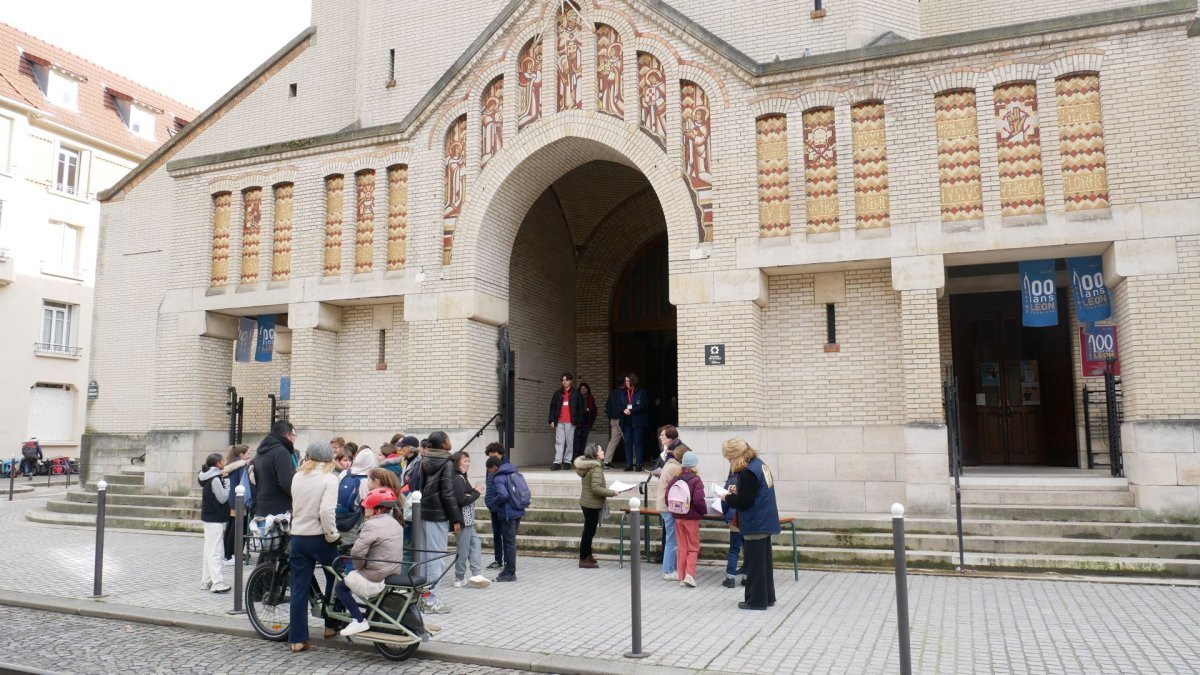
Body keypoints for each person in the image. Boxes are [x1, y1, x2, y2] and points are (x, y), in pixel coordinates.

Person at [287, 441, 341, 652]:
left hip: (298, 536)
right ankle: (331, 625)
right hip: (319, 537)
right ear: (329, 459)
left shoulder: (297, 476)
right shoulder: (330, 479)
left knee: (299, 588)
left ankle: (297, 639)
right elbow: (327, 512)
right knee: (336, 578)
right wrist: (332, 535)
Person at [720, 438, 780, 611]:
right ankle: (768, 597)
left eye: (729, 459)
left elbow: (745, 502)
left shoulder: (747, 471)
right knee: (764, 564)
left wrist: (726, 497)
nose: (730, 462)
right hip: (764, 518)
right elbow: (755, 491)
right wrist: (737, 490)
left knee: (754, 565)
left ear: (735, 455)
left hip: (755, 521)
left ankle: (755, 601)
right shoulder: (759, 464)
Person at [336, 487, 405, 637]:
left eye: (368, 506)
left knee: (340, 588)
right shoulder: (396, 523)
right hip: (392, 570)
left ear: (378, 510)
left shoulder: (371, 525)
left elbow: (356, 553)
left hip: (375, 576)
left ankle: (358, 620)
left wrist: (359, 569)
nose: (365, 508)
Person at [414, 431, 461, 614]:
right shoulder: (447, 462)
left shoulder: (424, 460)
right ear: (443, 444)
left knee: (425, 557)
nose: (450, 441)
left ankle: (423, 597)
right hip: (438, 514)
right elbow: (447, 493)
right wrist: (455, 518)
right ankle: (432, 600)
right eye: (448, 439)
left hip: (424, 512)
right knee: (436, 558)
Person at [451, 451, 491, 588]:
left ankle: (476, 573)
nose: (467, 464)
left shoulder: (462, 477)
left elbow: (465, 494)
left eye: (468, 461)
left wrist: (473, 491)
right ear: (457, 462)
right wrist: (477, 492)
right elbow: (461, 500)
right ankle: (459, 577)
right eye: (465, 461)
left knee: (475, 544)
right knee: (463, 549)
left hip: (468, 519)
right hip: (463, 519)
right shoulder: (457, 478)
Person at [574, 443, 616, 568]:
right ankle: (583, 558)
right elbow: (596, 489)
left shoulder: (588, 467)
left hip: (587, 502)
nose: (603, 451)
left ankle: (588, 555)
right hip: (591, 504)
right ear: (595, 454)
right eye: (601, 450)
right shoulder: (595, 468)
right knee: (589, 532)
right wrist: (612, 492)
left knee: (589, 531)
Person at [668, 451, 706, 588]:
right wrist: (703, 512)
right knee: (693, 547)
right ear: (694, 465)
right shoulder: (696, 480)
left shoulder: (676, 478)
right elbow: (698, 500)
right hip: (691, 518)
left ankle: (682, 576)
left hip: (678, 517)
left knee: (682, 546)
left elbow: (668, 496)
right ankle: (689, 575)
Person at [653, 428, 686, 581]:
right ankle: (668, 570)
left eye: (662, 435)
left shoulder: (670, 464)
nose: (660, 437)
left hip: (664, 504)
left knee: (671, 537)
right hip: (668, 506)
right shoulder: (675, 467)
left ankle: (670, 568)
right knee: (672, 539)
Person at [198, 452, 232, 593]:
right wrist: (228, 483)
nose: (224, 463)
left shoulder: (205, 476)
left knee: (208, 549)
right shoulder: (215, 479)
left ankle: (206, 581)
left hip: (208, 517)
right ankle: (217, 582)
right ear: (218, 464)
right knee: (216, 550)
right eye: (222, 461)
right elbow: (223, 497)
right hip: (215, 518)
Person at [489, 455, 526, 582]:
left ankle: (510, 572)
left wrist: (494, 502)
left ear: (494, 467)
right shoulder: (513, 472)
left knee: (509, 543)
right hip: (518, 511)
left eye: (490, 470)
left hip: (507, 514)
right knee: (510, 542)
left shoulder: (499, 477)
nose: (490, 473)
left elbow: (503, 495)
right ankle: (508, 570)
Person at [253, 421, 298, 517]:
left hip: (262, 508)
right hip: (280, 511)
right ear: (287, 435)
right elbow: (287, 482)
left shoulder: (261, 452)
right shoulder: (282, 452)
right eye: (294, 436)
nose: (294, 439)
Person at [548, 372, 586, 470]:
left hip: (571, 421)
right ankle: (557, 462)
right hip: (560, 421)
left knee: (569, 442)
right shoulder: (557, 394)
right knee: (559, 442)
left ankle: (567, 461)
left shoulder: (576, 394)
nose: (564, 382)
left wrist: (579, 420)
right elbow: (552, 407)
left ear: (570, 381)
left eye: (566, 380)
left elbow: (580, 408)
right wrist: (551, 420)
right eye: (563, 380)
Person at [221, 444, 252, 565]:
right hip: (238, 501)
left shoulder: (230, 466)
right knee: (237, 529)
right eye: (248, 454)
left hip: (231, 500)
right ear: (241, 455)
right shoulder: (241, 466)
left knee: (230, 528)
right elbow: (242, 484)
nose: (249, 456)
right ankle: (231, 555)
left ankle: (227, 555)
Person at [483, 442, 508, 571]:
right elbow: (489, 486)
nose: (492, 458)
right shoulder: (490, 466)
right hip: (493, 505)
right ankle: (498, 560)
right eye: (490, 456)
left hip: (503, 506)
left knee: (506, 534)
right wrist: (489, 502)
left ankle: (508, 561)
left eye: (495, 456)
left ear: (501, 455)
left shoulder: (506, 468)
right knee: (496, 533)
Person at [618, 373, 650, 472]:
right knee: (628, 442)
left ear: (632, 381)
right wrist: (623, 410)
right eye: (625, 381)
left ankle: (639, 463)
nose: (626, 383)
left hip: (638, 421)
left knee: (638, 442)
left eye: (627, 381)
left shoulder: (641, 392)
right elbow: (618, 405)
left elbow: (644, 405)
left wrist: (631, 411)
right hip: (626, 422)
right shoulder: (623, 393)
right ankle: (629, 464)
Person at [721, 467, 745, 589]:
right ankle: (747, 576)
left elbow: (725, 500)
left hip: (735, 519)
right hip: (747, 519)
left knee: (734, 549)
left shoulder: (731, 481)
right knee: (748, 549)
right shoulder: (748, 479)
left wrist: (726, 515)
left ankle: (730, 578)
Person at [573, 382, 598, 461]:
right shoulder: (576, 397)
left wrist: (592, 419)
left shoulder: (590, 398)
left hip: (586, 423)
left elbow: (594, 410)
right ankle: (574, 457)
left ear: (587, 390)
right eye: (581, 388)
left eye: (585, 389)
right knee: (576, 440)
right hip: (577, 423)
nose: (583, 390)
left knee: (583, 440)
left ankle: (581, 456)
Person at [603, 380, 625, 468]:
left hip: (613, 419)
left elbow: (607, 406)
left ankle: (606, 462)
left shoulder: (613, 393)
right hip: (622, 419)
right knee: (628, 440)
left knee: (613, 441)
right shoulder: (625, 393)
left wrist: (610, 416)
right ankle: (633, 462)